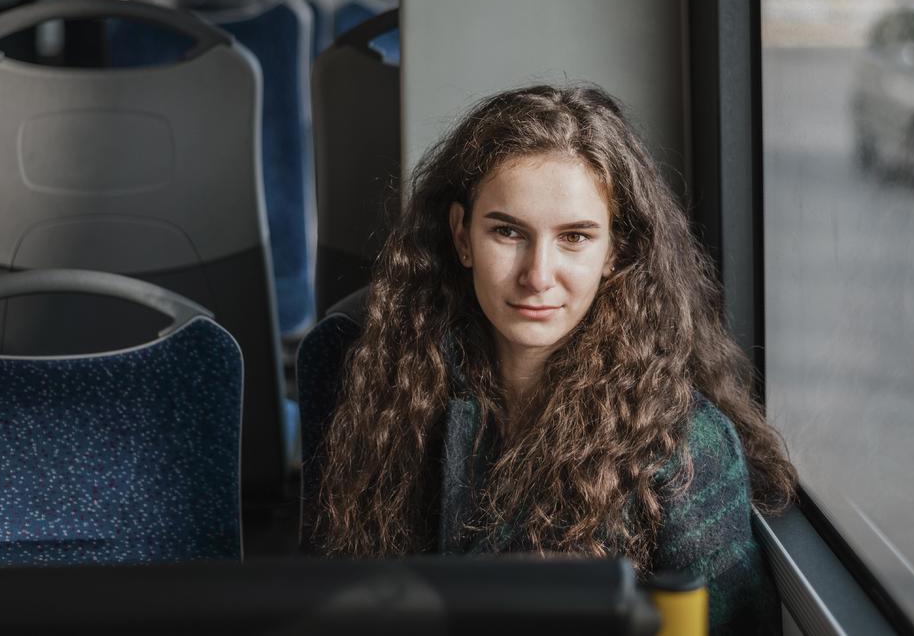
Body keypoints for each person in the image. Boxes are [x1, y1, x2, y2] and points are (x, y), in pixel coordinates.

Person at [315, 84, 795, 634]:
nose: (538, 275)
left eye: (574, 237)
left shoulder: (686, 446)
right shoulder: (393, 394)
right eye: (507, 232)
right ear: (461, 236)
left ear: (615, 251)